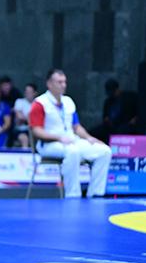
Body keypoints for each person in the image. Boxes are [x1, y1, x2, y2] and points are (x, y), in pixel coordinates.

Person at [29, 69, 112, 198]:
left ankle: (95, 193)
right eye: (59, 82)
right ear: (49, 84)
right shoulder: (40, 103)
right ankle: (73, 195)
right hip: (49, 145)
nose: (63, 85)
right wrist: (58, 138)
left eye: (65, 82)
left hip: (72, 141)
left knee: (104, 151)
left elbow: (76, 127)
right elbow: (36, 131)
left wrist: (89, 138)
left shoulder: (68, 102)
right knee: (73, 151)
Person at [91, 78, 139, 143]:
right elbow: (105, 116)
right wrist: (107, 120)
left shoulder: (130, 97)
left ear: (117, 89)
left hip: (127, 124)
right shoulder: (108, 101)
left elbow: (139, 109)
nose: (111, 94)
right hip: (112, 126)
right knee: (94, 132)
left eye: (113, 92)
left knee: (121, 131)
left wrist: (135, 118)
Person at [12, 83, 38, 148]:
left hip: (35, 130)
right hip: (20, 130)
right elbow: (19, 117)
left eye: (29, 92)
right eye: (26, 91)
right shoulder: (19, 101)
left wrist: (27, 118)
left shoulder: (38, 103)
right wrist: (32, 119)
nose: (27, 93)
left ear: (35, 93)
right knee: (24, 139)